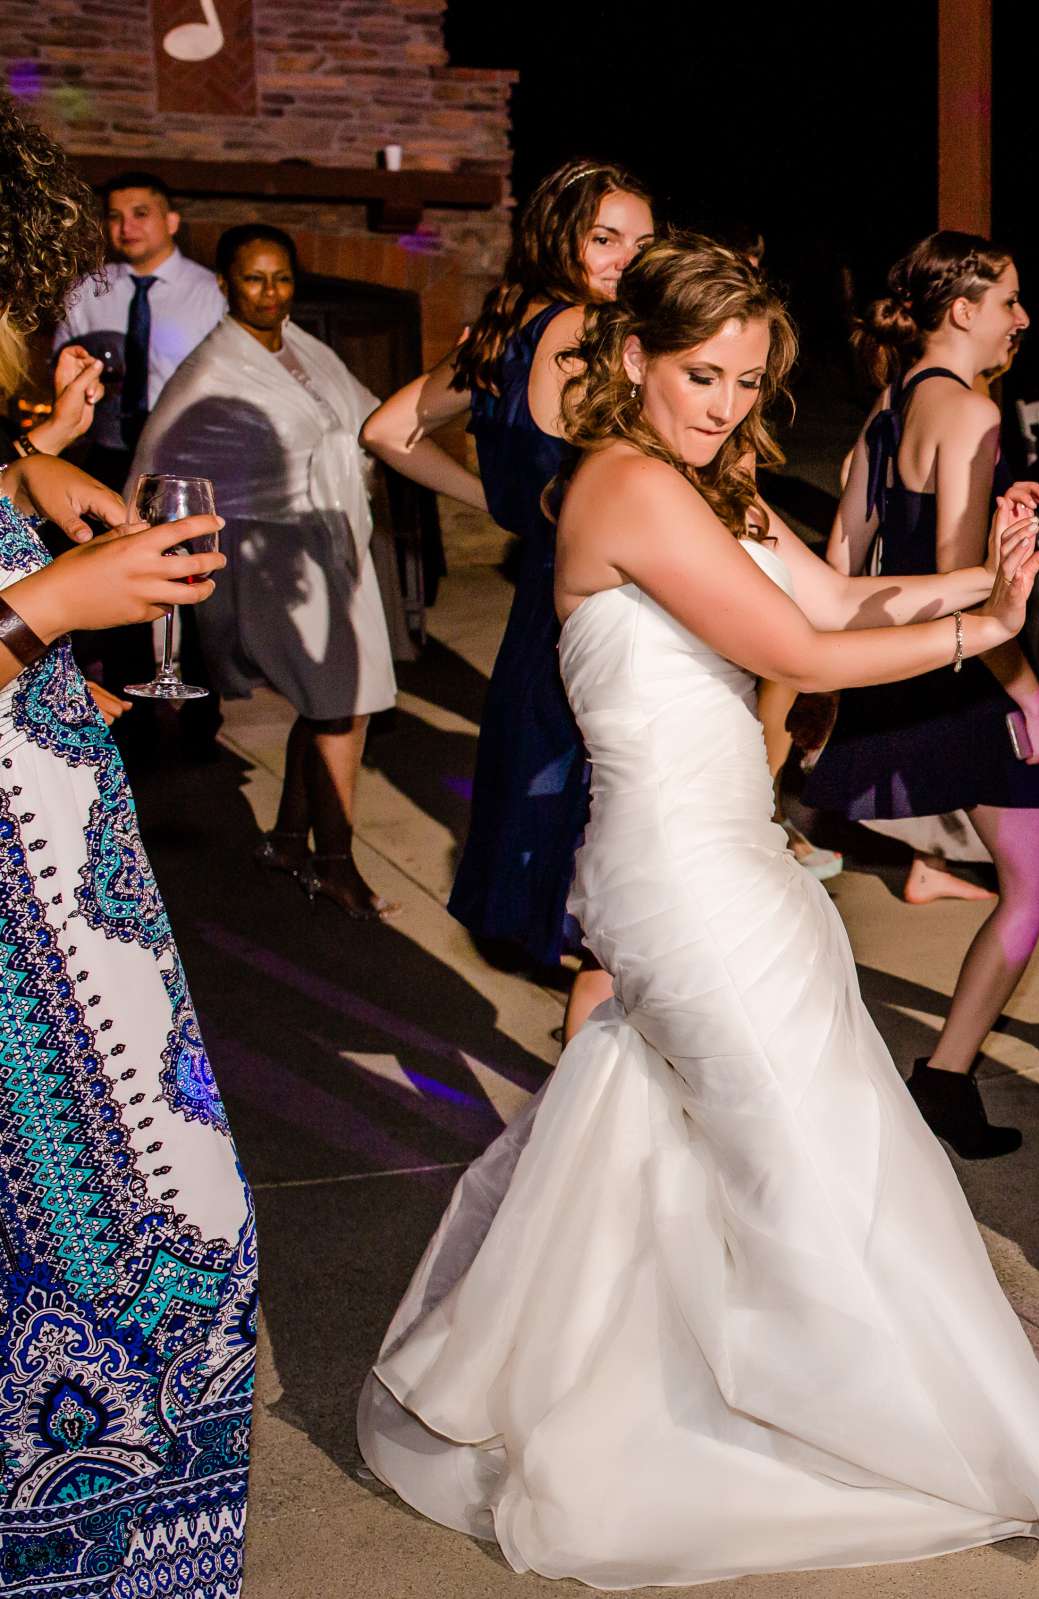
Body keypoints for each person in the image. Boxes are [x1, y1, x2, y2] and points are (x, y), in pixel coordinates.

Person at [356, 239, 1039, 1581]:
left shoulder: (708, 487)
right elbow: (803, 654)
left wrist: (980, 584)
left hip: (737, 862)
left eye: (746, 380)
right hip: (675, 878)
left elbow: (838, 594)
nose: (720, 401)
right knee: (799, 1153)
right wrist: (982, 632)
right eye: (700, 372)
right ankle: (843, 1426)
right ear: (634, 358)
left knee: (682, 1139)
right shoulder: (624, 487)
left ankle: (626, 1379)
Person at [0, 91, 252, 1597]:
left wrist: (44, 506)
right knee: (124, 1282)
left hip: (79, 907)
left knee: (194, 1251)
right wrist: (50, 601)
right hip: (23, 962)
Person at [807, 232, 1039, 1156]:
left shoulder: (889, 409)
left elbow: (843, 560)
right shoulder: (971, 415)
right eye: (1009, 300)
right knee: (1033, 880)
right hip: (970, 678)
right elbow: (973, 585)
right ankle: (948, 1075)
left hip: (913, 668)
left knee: (1030, 865)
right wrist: (1028, 694)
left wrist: (823, 668)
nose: (1022, 319)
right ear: (962, 311)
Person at [361, 159, 653, 1040]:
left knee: (570, 781)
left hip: (540, 596)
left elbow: (386, 430)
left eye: (644, 243)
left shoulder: (505, 328)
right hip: (609, 600)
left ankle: (596, 1009)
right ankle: (601, 1028)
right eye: (606, 239)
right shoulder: (595, 335)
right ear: (560, 236)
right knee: (618, 801)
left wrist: (492, 500)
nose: (628, 260)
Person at [131, 224, 400, 919]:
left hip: (329, 539)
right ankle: (334, 863)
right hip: (269, 552)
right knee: (339, 704)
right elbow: (153, 466)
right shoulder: (211, 369)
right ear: (225, 284)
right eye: (254, 278)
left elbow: (373, 419)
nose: (271, 292)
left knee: (334, 697)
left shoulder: (305, 348)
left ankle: (287, 839)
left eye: (281, 277)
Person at [52, 171, 227, 489]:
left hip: (183, 453)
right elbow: (61, 368)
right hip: (104, 452)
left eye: (140, 214)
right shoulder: (88, 291)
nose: (126, 227)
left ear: (171, 222)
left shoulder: (212, 294)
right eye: (115, 217)